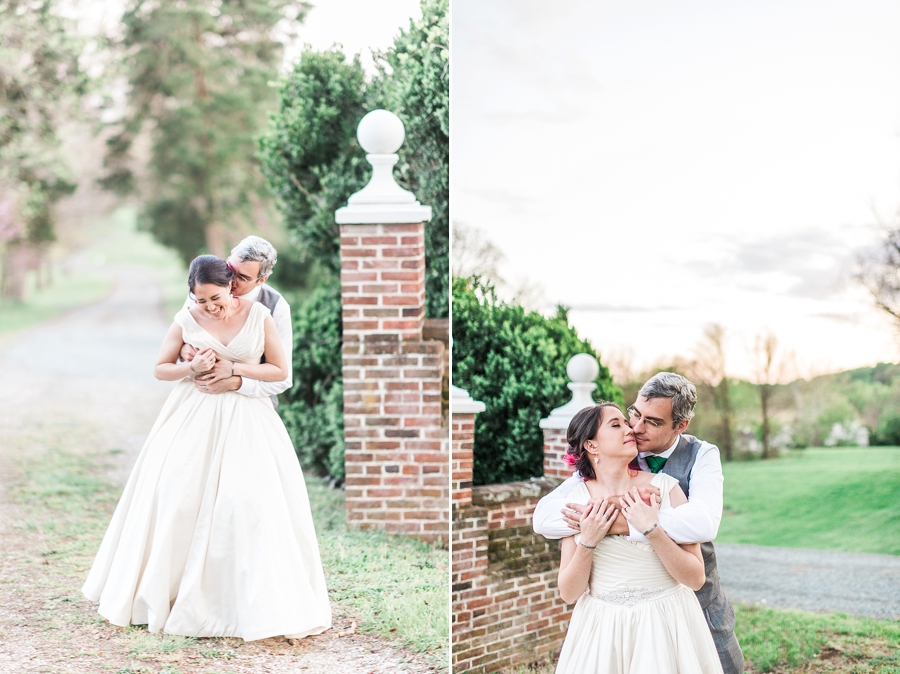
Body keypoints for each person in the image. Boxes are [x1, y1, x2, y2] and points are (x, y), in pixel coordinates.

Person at [82, 255, 331, 640]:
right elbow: (161, 367)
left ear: (231, 286)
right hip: (192, 415)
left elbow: (280, 372)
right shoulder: (187, 319)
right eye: (201, 301)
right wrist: (191, 368)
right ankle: (172, 593)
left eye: (215, 298)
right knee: (179, 499)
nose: (210, 307)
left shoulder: (259, 315)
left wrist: (235, 371)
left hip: (248, 420)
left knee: (247, 502)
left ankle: (245, 603)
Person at [533, 372, 744, 674]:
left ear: (680, 426)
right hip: (605, 625)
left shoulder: (692, 464)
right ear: (592, 446)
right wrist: (596, 527)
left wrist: (640, 523)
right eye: (632, 415)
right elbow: (544, 518)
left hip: (679, 609)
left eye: (653, 422)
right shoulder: (582, 490)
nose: (635, 428)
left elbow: (704, 524)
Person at [179, 236, 291, 407]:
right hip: (200, 401)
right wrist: (183, 350)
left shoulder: (276, 307)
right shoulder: (203, 289)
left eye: (243, 277)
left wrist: (235, 383)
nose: (231, 279)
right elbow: (180, 335)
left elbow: (284, 378)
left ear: (261, 280)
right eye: (230, 268)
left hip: (251, 408)